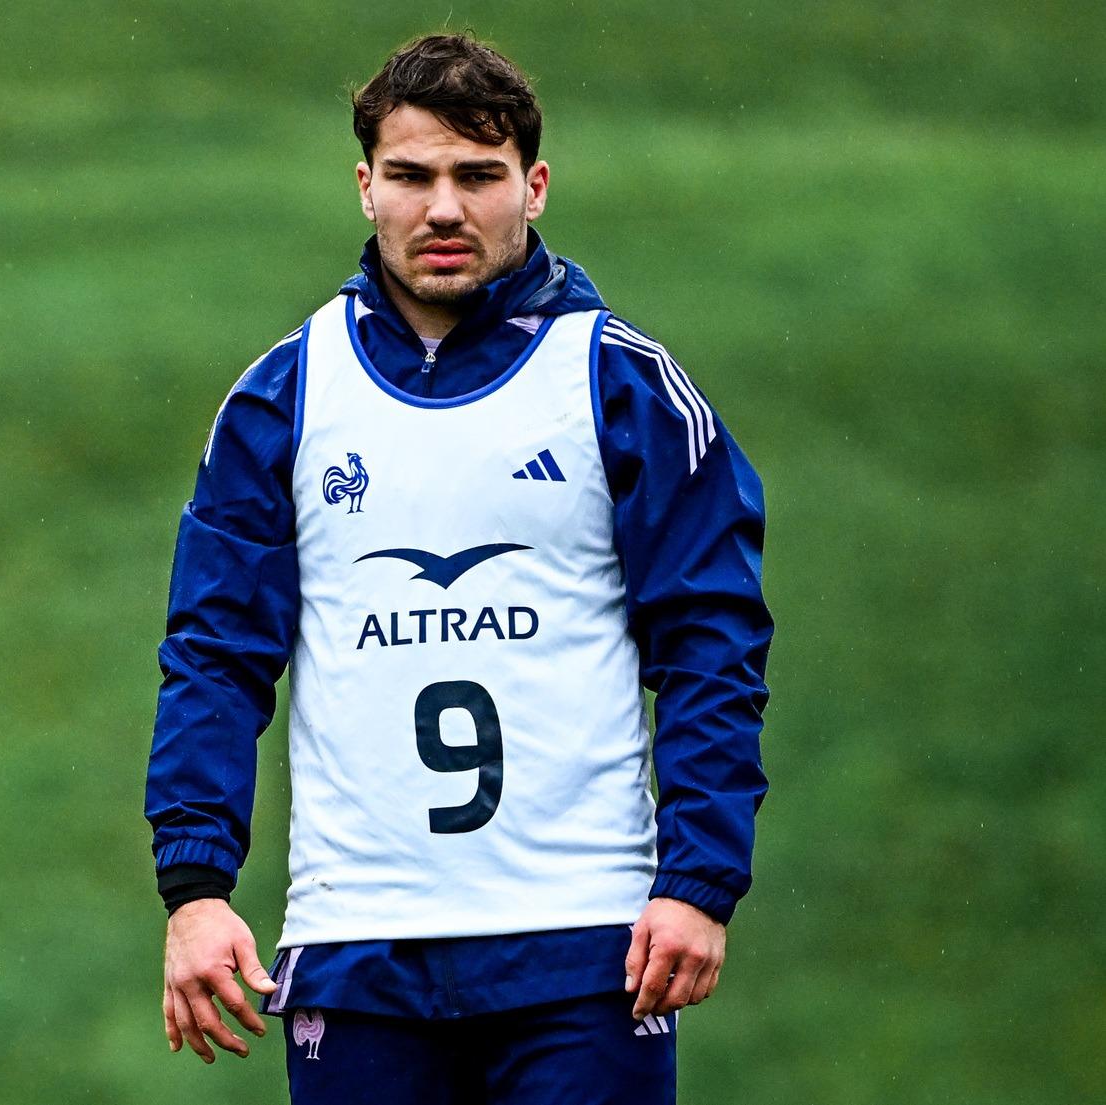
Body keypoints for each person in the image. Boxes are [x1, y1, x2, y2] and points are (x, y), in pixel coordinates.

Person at [146, 33, 771, 1103]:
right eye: (411, 176)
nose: (443, 208)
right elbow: (214, 654)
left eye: (478, 176)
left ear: (533, 186)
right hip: (358, 942)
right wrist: (195, 888)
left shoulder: (620, 385)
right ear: (365, 187)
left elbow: (711, 643)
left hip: (584, 943)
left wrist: (699, 879)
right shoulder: (283, 395)